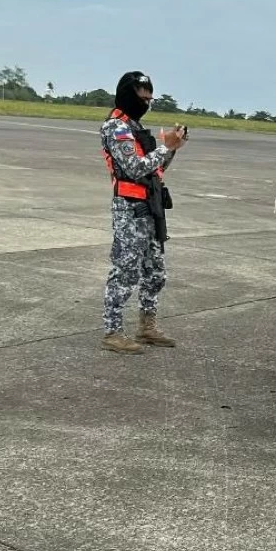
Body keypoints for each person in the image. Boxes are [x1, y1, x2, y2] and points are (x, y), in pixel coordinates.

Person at [100, 71, 188, 354]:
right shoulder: (116, 128)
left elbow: (154, 169)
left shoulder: (135, 127)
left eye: (150, 97)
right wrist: (166, 148)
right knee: (125, 270)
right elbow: (134, 168)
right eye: (143, 96)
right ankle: (113, 331)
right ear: (129, 93)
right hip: (129, 208)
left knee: (155, 271)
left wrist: (172, 149)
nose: (147, 102)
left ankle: (147, 326)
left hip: (151, 206)